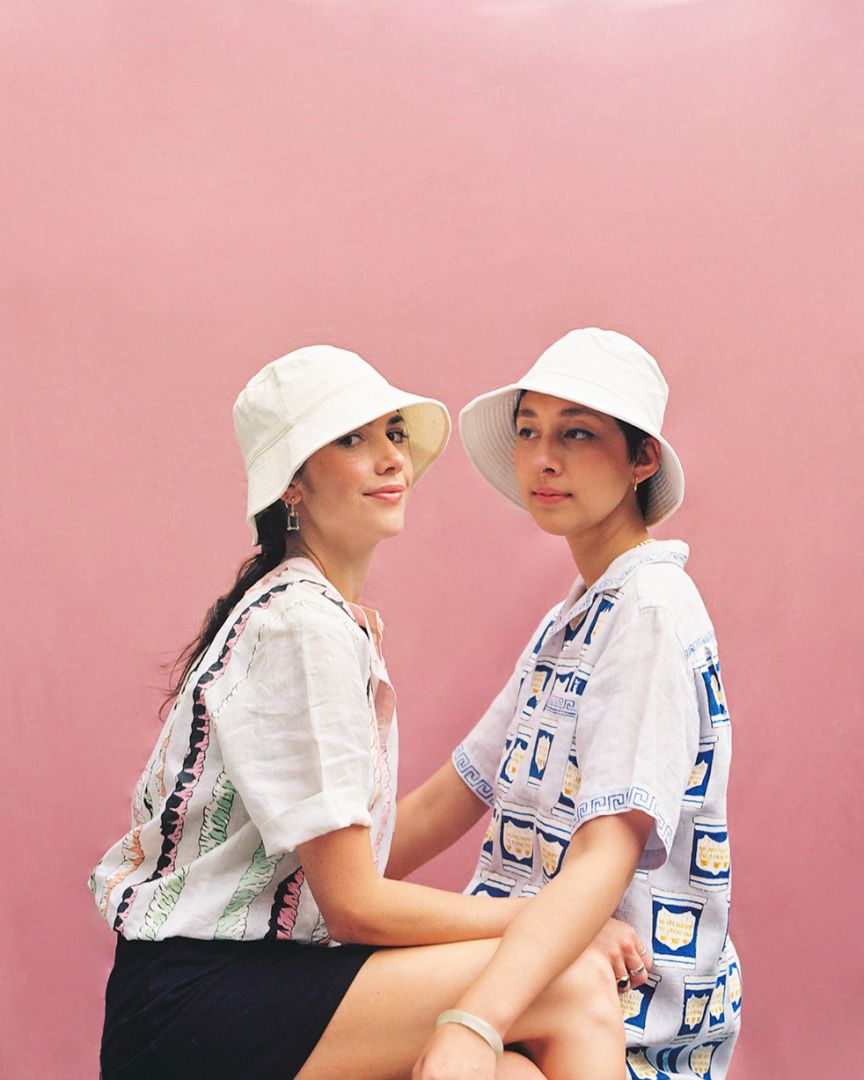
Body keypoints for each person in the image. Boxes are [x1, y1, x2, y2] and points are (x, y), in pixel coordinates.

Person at [89, 343, 646, 1080]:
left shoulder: (316, 615)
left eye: (394, 433)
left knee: (507, 1069)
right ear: (292, 483)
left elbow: (369, 855)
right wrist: (555, 924)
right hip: (200, 1001)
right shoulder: (301, 625)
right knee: (568, 980)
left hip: (247, 985)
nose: (391, 459)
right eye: (352, 439)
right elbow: (353, 904)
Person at [397, 329, 741, 1080]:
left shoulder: (650, 610)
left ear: (641, 459)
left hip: (620, 1016)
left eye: (576, 434)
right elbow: (453, 795)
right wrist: (299, 887)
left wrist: (475, 1024)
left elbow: (607, 852)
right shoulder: (580, 614)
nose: (543, 459)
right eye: (529, 432)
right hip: (530, 977)